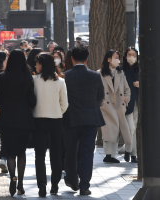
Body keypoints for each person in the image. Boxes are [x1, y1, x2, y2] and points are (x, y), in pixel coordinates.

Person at [63, 45, 105, 196]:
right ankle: (85, 185)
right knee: (87, 152)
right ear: (87, 59)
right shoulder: (95, 76)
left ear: (72, 59)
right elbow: (101, 96)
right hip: (91, 118)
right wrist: (92, 106)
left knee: (71, 150)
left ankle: (72, 180)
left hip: (70, 118)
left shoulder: (65, 76)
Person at [0, 49, 36, 196]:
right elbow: (32, 100)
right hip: (24, 118)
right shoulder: (28, 77)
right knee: (21, 152)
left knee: (10, 152)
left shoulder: (2, 77)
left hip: (6, 118)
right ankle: (20, 185)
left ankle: (12, 178)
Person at [32, 53, 68, 197]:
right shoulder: (60, 81)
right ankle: (54, 184)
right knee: (56, 153)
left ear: (42, 64)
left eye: (37, 63)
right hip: (56, 120)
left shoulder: (34, 80)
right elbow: (65, 104)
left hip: (38, 120)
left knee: (39, 154)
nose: (36, 65)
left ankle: (42, 184)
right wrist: (57, 111)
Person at [97, 50, 132, 163]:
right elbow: (96, 90)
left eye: (118, 57)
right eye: (115, 57)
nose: (118, 60)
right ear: (108, 59)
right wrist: (101, 103)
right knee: (108, 129)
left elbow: (127, 89)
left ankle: (118, 153)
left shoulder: (120, 73)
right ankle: (108, 154)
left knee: (117, 129)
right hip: (106, 106)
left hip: (119, 105)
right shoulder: (99, 73)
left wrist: (126, 99)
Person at [119, 47, 139, 163]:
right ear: (125, 56)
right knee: (131, 128)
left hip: (138, 103)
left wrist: (139, 84)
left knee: (134, 129)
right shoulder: (121, 70)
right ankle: (129, 151)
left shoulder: (140, 69)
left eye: (134, 55)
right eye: (129, 54)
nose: (132, 57)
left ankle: (132, 153)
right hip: (127, 103)